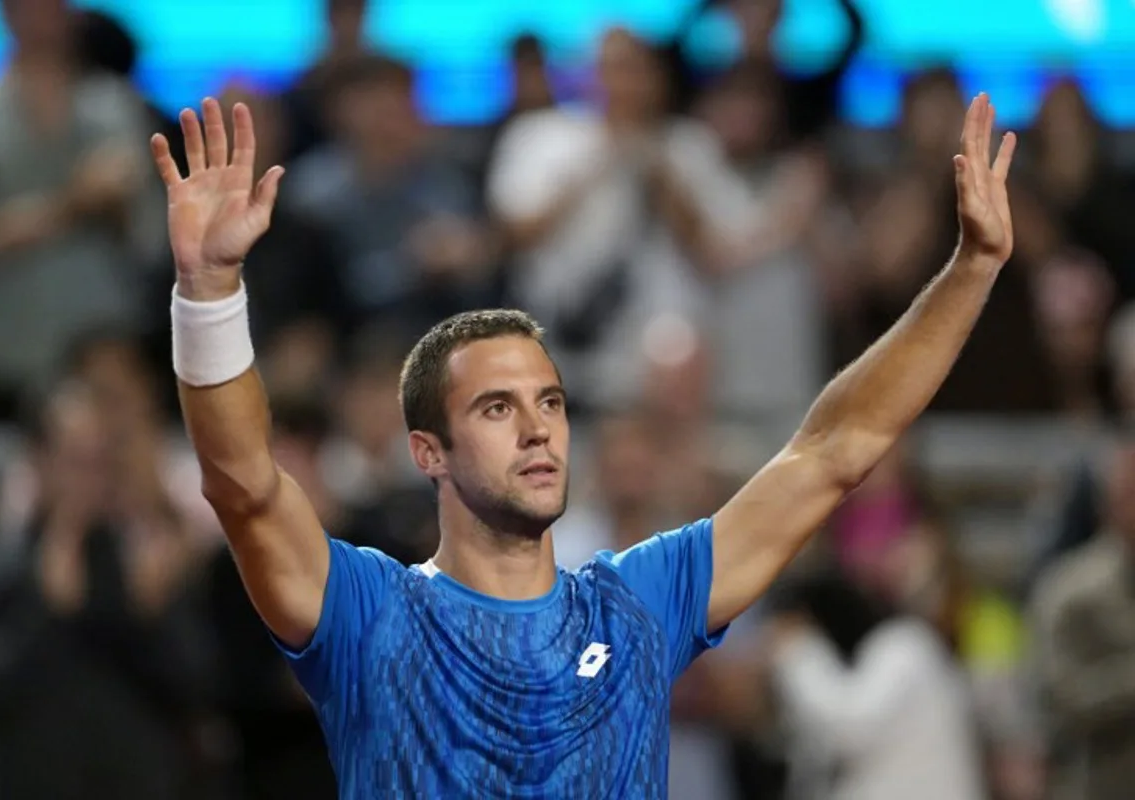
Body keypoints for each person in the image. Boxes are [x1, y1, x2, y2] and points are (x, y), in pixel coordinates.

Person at [149, 93, 1016, 796]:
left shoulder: (639, 603)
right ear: (429, 453)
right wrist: (211, 290)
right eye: (496, 408)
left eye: (551, 402)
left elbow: (835, 448)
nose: (537, 427)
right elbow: (243, 486)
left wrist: (971, 269)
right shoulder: (368, 615)